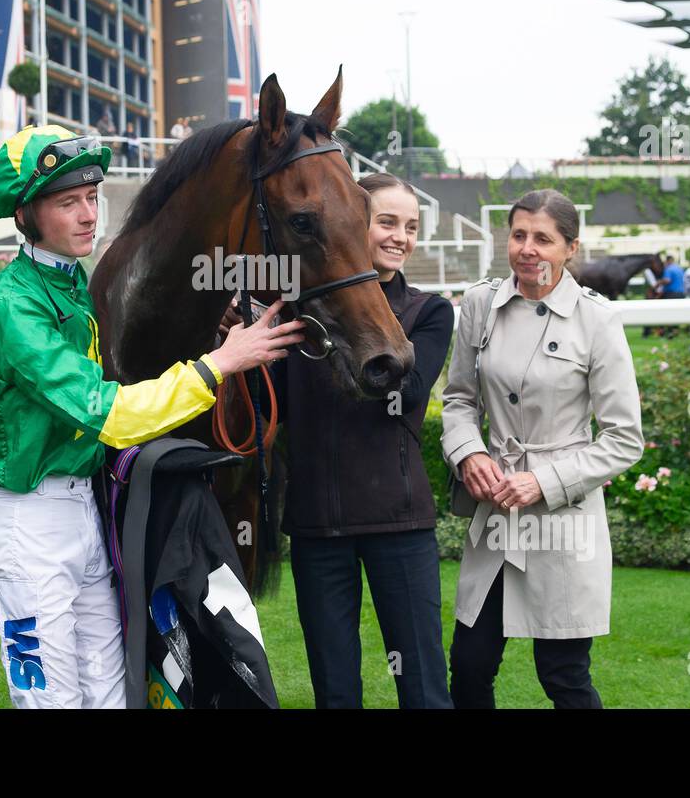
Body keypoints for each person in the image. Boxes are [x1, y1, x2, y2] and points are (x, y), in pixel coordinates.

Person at [0, 124, 303, 709]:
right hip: (27, 523)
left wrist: (213, 341)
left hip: (84, 514)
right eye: (67, 202)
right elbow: (109, 414)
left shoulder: (73, 289)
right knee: (53, 702)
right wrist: (219, 365)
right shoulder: (7, 304)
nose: (87, 214)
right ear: (25, 216)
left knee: (115, 696)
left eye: (92, 198)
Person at [441, 189, 644, 709]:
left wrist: (544, 482)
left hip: (563, 520)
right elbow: (459, 399)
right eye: (519, 235)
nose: (528, 249)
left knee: (564, 677)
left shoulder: (597, 320)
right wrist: (469, 453)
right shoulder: (480, 304)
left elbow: (624, 439)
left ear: (570, 248)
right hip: (494, 514)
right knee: (468, 666)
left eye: (543, 239)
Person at [273, 173, 455, 709]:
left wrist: (334, 323)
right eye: (387, 222)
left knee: (423, 686)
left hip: (397, 520)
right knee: (335, 690)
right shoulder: (292, 314)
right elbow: (266, 403)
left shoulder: (429, 311)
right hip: (316, 524)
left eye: (412, 226)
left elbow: (406, 390)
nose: (401, 236)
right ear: (353, 224)